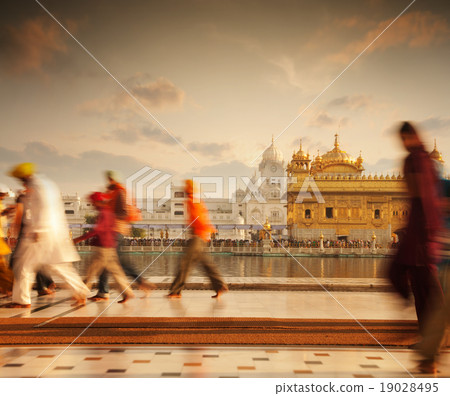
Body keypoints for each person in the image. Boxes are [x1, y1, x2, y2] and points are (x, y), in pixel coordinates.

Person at [389, 122, 445, 374]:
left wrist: (418, 231)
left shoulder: (416, 161)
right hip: (423, 233)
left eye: (404, 137)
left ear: (409, 137)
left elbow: (423, 198)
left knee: (428, 292)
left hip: (422, 236)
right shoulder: (420, 160)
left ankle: (431, 347)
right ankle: (429, 341)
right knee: (424, 290)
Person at [5, 163, 89, 308]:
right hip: (50, 232)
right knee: (56, 265)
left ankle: (21, 301)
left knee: (24, 266)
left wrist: (39, 230)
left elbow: (45, 208)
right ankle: (80, 290)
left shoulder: (38, 186)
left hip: (40, 232)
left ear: (24, 176)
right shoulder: (45, 184)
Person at [88, 171, 154, 301]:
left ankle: (140, 283)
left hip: (116, 231)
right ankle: (104, 291)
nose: (108, 181)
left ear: (113, 179)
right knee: (109, 262)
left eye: (110, 179)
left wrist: (109, 219)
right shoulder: (114, 192)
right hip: (113, 231)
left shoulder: (120, 193)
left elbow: (123, 212)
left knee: (116, 263)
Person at [168, 180, 228, 298]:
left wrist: (197, 231)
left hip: (197, 235)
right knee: (206, 264)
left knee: (185, 263)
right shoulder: (197, 200)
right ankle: (219, 286)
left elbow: (198, 218)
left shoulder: (191, 201)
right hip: (202, 234)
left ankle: (175, 291)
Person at [73, 192, 134, 303]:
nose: (92, 205)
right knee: (116, 272)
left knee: (90, 271)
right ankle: (127, 292)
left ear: (97, 202)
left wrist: (79, 239)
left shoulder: (103, 213)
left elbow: (97, 230)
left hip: (102, 247)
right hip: (110, 246)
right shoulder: (109, 212)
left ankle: (81, 295)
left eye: (93, 202)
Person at [0, 184, 13, 295]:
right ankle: (8, 287)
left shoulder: (1, 205)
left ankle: (9, 287)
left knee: (2, 265)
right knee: (2, 265)